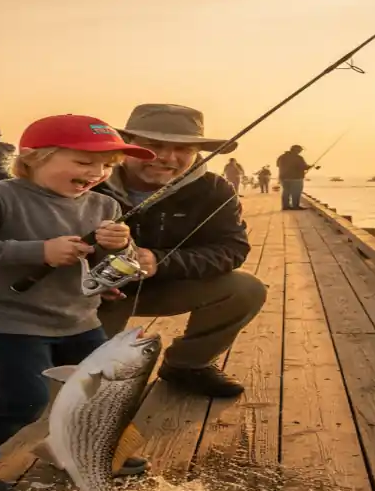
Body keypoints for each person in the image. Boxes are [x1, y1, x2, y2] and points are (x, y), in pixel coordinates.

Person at [0, 114, 157, 491]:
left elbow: (104, 264)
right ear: (34, 158)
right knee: (25, 399)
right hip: (6, 320)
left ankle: (83, 451)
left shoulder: (103, 204)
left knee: (102, 394)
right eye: (83, 162)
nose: (95, 172)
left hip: (78, 318)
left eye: (105, 165)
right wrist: (38, 251)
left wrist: (118, 251)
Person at [93, 103, 267, 398]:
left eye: (183, 149)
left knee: (246, 288)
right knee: (76, 376)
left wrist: (161, 261)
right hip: (94, 294)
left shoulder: (215, 189)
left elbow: (232, 248)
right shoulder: (88, 181)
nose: (167, 158)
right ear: (128, 146)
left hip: (168, 283)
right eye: (153, 145)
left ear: (197, 153)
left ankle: (188, 365)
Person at [275, 144, 313, 210]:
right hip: (296, 178)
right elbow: (303, 167)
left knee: (286, 192)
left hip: (283, 177)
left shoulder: (281, 157)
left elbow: (278, 165)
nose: (300, 151)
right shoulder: (298, 158)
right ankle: (295, 206)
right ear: (296, 150)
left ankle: (285, 206)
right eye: (300, 150)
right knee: (296, 192)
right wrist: (310, 166)